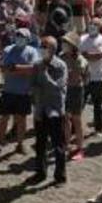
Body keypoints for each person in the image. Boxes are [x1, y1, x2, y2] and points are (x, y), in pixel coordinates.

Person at [0, 28, 39, 156]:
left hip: (23, 92)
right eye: (17, 35)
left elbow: (33, 69)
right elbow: (4, 68)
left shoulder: (32, 51)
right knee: (4, 118)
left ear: (28, 39)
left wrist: (14, 67)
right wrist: (22, 69)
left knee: (21, 119)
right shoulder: (8, 50)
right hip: (8, 91)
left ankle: (20, 144)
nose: (19, 38)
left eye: (22, 36)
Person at [31, 36, 68, 183]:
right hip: (40, 108)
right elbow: (32, 86)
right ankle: (40, 173)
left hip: (55, 110)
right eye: (41, 46)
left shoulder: (60, 66)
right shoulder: (36, 64)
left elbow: (57, 88)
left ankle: (60, 175)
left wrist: (45, 75)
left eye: (45, 46)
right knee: (40, 144)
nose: (42, 49)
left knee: (58, 145)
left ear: (53, 49)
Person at [62, 34, 88, 159]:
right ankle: (66, 144)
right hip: (65, 90)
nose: (64, 44)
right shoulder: (61, 57)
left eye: (66, 42)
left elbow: (83, 76)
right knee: (65, 118)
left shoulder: (80, 60)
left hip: (76, 90)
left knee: (76, 119)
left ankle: (79, 148)